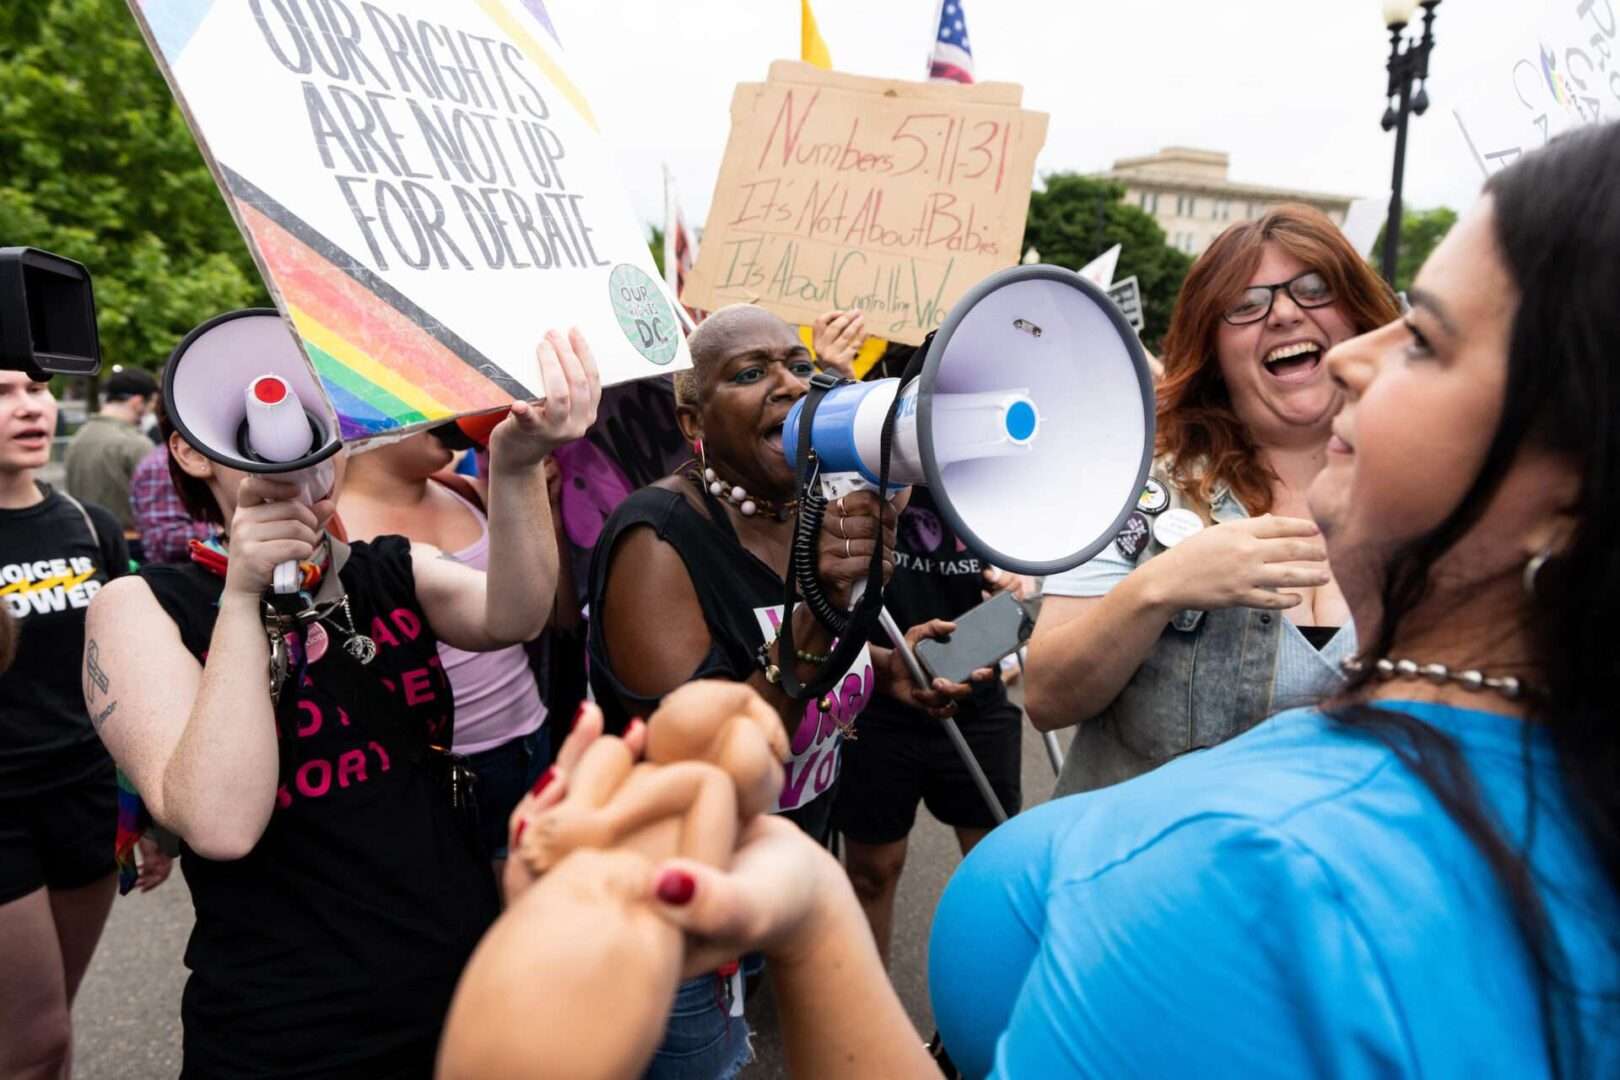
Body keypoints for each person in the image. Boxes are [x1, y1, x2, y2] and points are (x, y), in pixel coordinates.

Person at [433, 122, 1620, 1080]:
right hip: (883, 765)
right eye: (1252, 305)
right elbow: (1036, 658)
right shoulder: (1141, 488)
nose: (1332, 344)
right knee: (871, 874)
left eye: (1413, 333)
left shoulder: (1245, 868)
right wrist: (813, 892)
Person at [84, 315, 598, 1077]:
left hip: (459, 996)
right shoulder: (142, 607)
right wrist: (245, 594)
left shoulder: (391, 568)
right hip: (290, 1031)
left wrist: (518, 469)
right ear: (190, 451)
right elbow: (220, 824)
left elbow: (513, 615)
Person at [586, 303, 972, 1077]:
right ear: (692, 414)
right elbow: (710, 775)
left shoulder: (815, 509)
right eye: (749, 373)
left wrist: (892, 671)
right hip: (677, 904)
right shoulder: (657, 540)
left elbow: (825, 674)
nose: (789, 385)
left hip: (774, 873)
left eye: (798, 365)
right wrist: (817, 617)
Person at [1025, 203, 1400, 794]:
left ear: (1358, 318)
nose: (1282, 313)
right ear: (1213, 349)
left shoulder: (1432, 491)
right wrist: (1159, 588)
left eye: (1313, 289)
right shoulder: (1140, 489)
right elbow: (1046, 697)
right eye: (1246, 305)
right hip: (1157, 873)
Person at [818, 339, 1017, 963]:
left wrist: (1020, 584)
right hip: (879, 694)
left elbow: (1041, 553)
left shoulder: (1003, 446)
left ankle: (991, 1028)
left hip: (977, 688)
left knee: (999, 874)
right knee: (872, 870)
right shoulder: (868, 436)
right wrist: (836, 379)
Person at [0, 369, 167, 1078]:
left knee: (51, 1033)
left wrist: (146, 811)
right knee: (32, 1041)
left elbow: (123, 677)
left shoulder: (90, 524)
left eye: (37, 388)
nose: (30, 407)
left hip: (86, 802)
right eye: (2, 391)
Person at [338, 426, 568, 876]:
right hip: (434, 774)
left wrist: (546, 512)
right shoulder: (330, 530)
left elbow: (551, 615)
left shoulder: (466, 491)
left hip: (532, 740)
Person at [64, 368, 159, 552]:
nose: (150, 412)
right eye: (152, 405)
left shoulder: (78, 438)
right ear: (138, 402)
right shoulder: (136, 443)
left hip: (85, 538)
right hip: (131, 545)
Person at [128, 398, 212, 565]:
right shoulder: (162, 466)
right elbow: (164, 540)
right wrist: (223, 531)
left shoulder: (168, 461)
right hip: (183, 578)